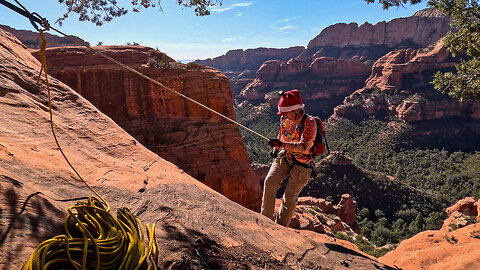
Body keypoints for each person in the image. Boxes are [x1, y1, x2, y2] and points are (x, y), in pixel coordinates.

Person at [261, 89, 317, 227]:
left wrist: (282, 145)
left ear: (296, 110)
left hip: (302, 164)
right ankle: (265, 222)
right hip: (285, 157)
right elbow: (282, 135)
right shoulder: (285, 119)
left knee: (289, 197)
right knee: (269, 182)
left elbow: (304, 147)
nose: (284, 116)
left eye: (286, 113)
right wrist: (276, 148)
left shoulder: (309, 123)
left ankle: (280, 227)